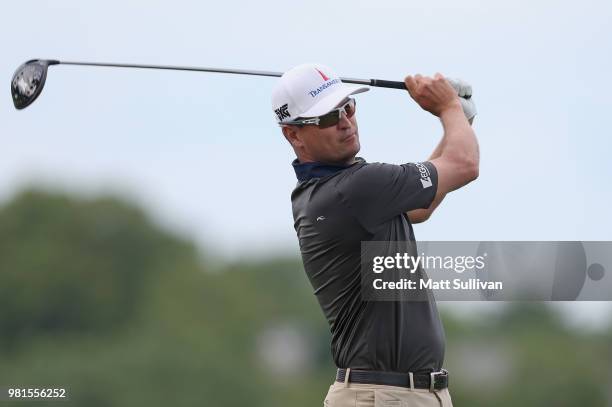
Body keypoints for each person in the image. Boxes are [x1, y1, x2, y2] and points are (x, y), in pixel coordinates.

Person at [271, 63, 479, 407]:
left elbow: (419, 208)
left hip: (390, 394)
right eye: (326, 117)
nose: (344, 122)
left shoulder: (334, 191)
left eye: (348, 107)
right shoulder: (356, 189)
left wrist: (459, 122)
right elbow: (465, 165)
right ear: (293, 134)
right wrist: (448, 109)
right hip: (383, 396)